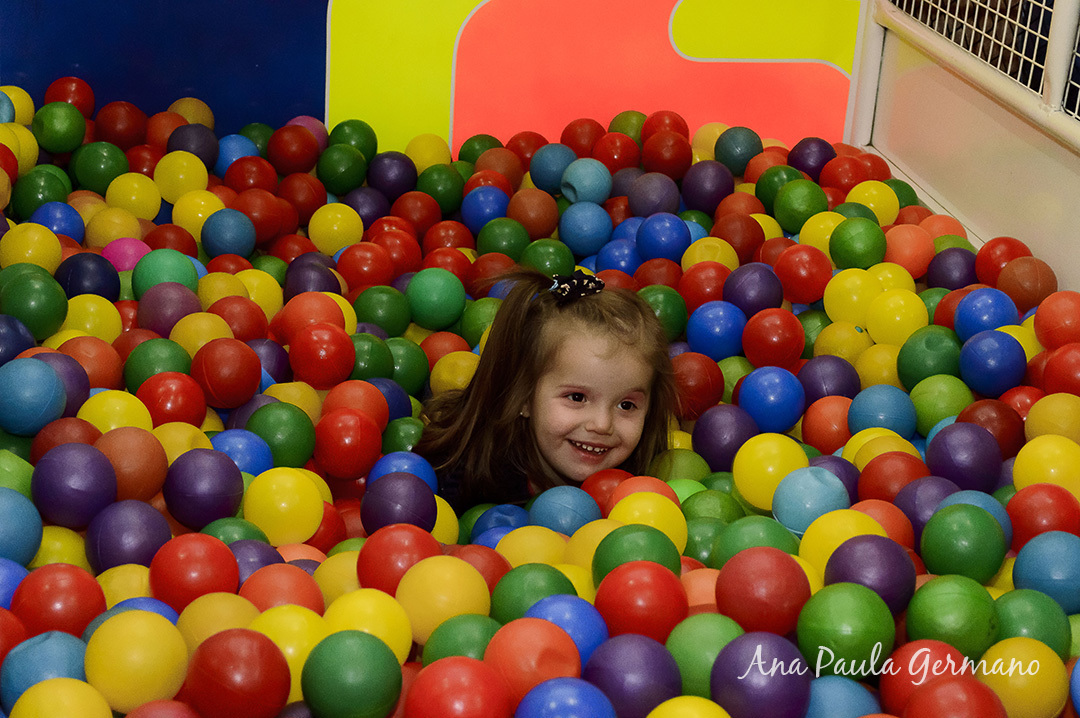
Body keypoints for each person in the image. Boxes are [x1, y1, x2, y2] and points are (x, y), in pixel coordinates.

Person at [416, 267, 677, 513]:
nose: (602, 424)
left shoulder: (640, 491)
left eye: (626, 405)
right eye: (577, 397)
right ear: (524, 396)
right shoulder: (464, 477)